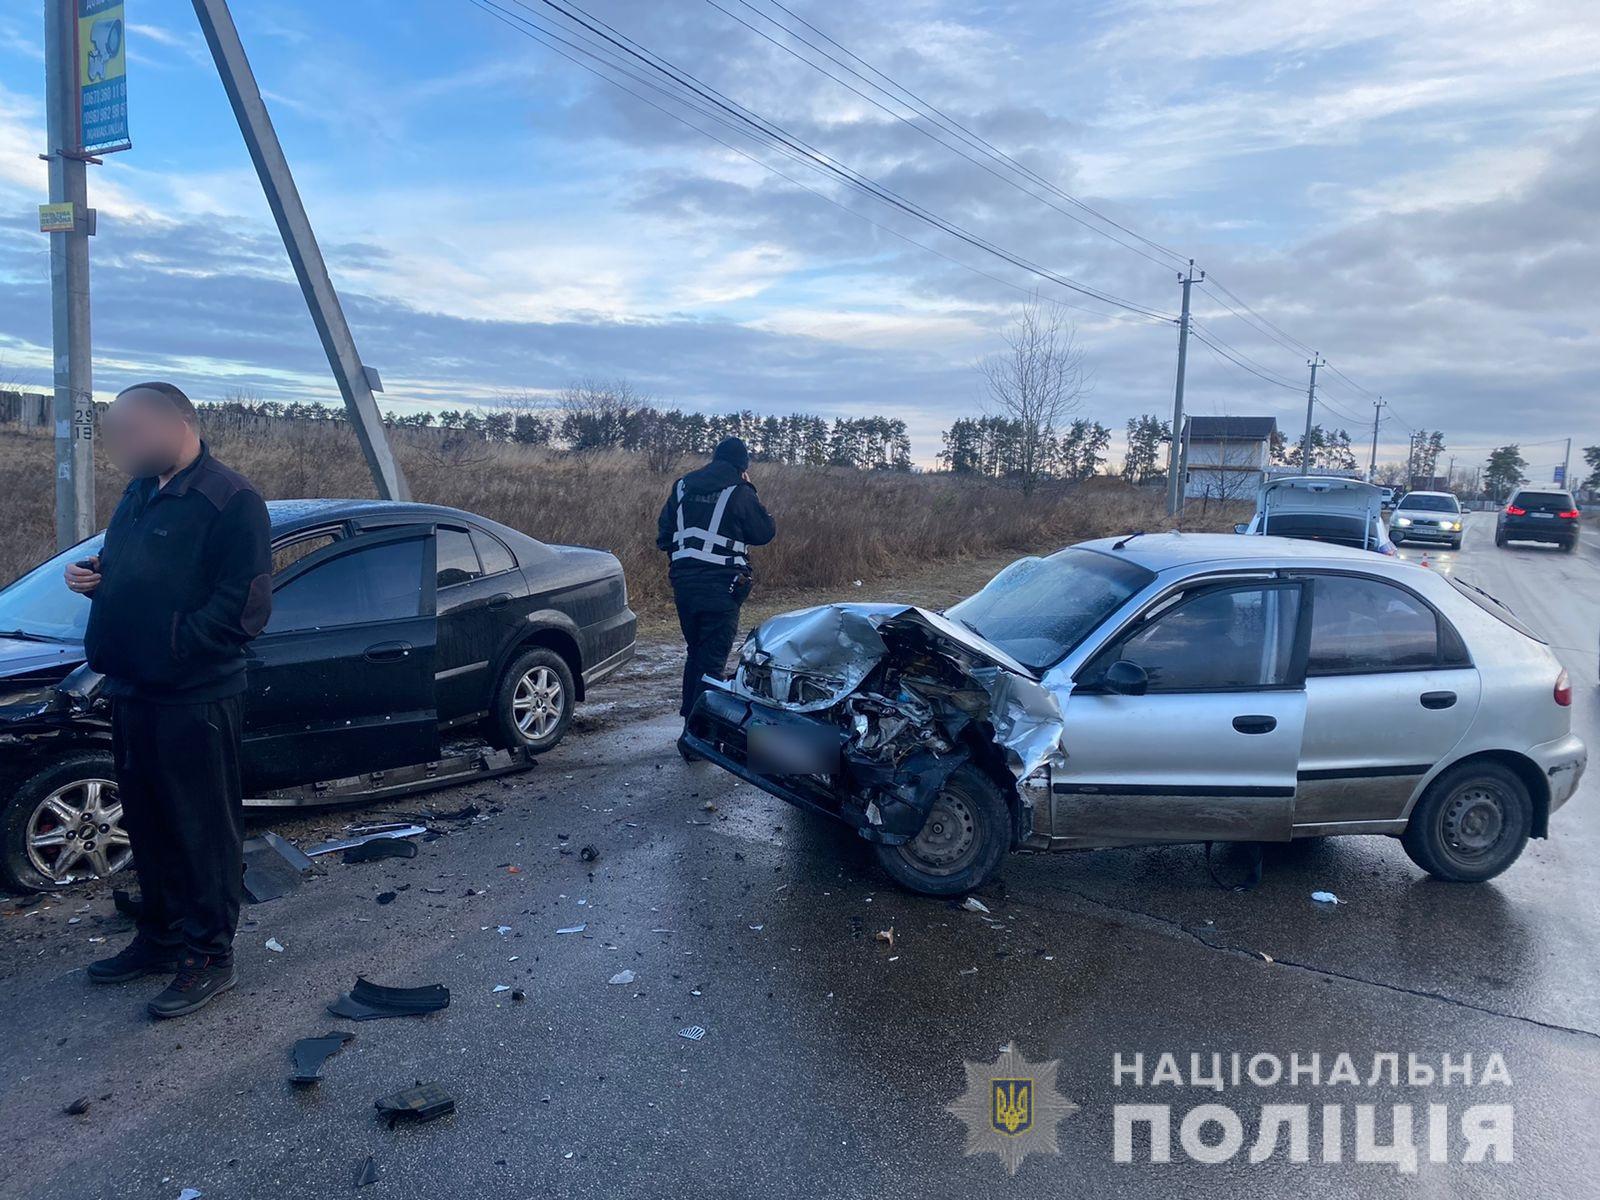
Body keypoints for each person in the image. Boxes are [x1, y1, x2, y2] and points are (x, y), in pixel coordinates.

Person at [64, 382, 271, 1019]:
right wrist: (94, 580)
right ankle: (158, 937)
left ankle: (210, 955)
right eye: (116, 435)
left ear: (179, 423)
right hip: (133, 689)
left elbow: (245, 610)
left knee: (200, 829)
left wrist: (170, 647)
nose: (123, 447)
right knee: (149, 825)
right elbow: (143, 575)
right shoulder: (139, 493)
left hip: (195, 697)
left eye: (133, 432)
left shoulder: (230, 500)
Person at [656, 436, 776, 755]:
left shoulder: (682, 487)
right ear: (742, 466)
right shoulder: (739, 491)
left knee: (695, 653)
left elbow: (664, 535)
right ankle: (697, 739)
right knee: (711, 660)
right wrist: (751, 490)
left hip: (684, 584)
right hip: (722, 586)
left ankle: (690, 724)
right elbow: (764, 532)